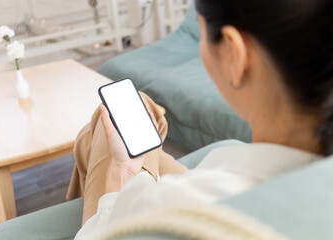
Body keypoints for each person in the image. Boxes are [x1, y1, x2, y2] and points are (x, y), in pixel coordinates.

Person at [67, 0, 332, 238]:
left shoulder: (170, 207)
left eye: (201, 32)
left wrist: (119, 173)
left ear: (234, 55)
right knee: (130, 119)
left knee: (102, 129)